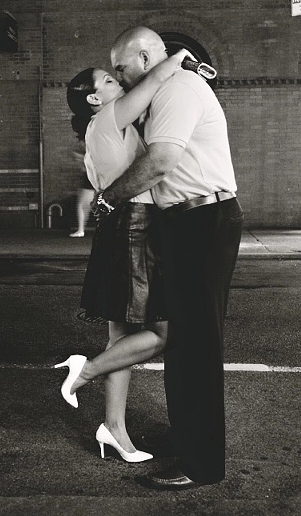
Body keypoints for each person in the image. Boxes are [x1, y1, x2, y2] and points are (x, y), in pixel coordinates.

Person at [94, 27, 242, 490]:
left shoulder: (178, 89)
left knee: (196, 346)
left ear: (143, 56)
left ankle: (201, 465)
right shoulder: (167, 87)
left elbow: (160, 161)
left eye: (121, 67)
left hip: (203, 219)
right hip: (184, 222)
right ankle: (190, 441)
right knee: (180, 340)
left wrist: (107, 201)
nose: (119, 75)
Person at [55, 47, 193, 463]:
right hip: (136, 224)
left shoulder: (105, 125)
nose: (120, 83)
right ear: (96, 98)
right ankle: (87, 370)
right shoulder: (108, 117)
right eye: (111, 80)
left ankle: (113, 429)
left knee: (120, 337)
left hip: (121, 225)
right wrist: (179, 56)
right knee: (166, 332)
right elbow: (153, 81)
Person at [70, 145, 95, 237]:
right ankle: (81, 230)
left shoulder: (88, 164)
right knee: (83, 207)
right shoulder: (87, 165)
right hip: (89, 186)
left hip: (89, 186)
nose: (76, 159)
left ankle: (81, 230)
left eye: (77, 157)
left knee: (82, 207)